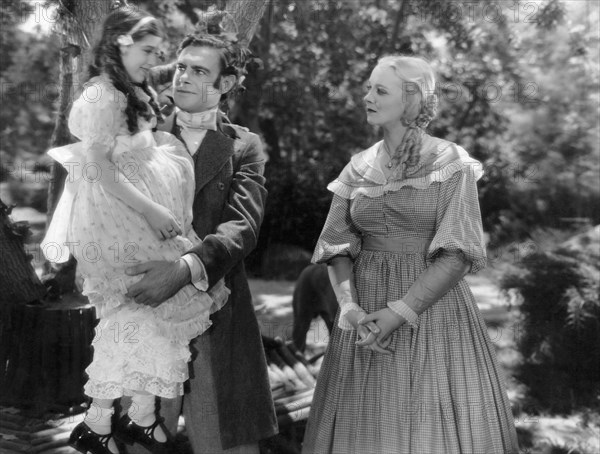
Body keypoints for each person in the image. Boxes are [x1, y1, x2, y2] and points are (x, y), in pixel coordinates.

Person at [301, 56, 520, 453]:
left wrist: (400, 311)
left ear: (412, 100)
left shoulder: (450, 162)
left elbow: (458, 253)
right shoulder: (356, 169)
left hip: (431, 311)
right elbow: (336, 246)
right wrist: (350, 309)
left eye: (379, 90)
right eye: (368, 87)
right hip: (362, 313)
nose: (366, 97)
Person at [41, 8, 229, 454]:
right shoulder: (100, 97)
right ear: (121, 43)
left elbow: (170, 68)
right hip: (121, 218)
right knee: (131, 310)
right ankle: (97, 420)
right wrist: (152, 212)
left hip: (140, 209)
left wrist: (213, 34)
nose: (154, 61)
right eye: (147, 51)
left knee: (157, 313)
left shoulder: (131, 85)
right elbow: (99, 167)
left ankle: (140, 414)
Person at [124, 32, 278, 453]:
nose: (184, 77)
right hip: (146, 307)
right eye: (180, 67)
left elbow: (242, 226)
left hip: (219, 306)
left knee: (226, 441)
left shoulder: (244, 145)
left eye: (200, 70)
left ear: (226, 84)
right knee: (137, 437)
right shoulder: (141, 135)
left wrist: (183, 270)